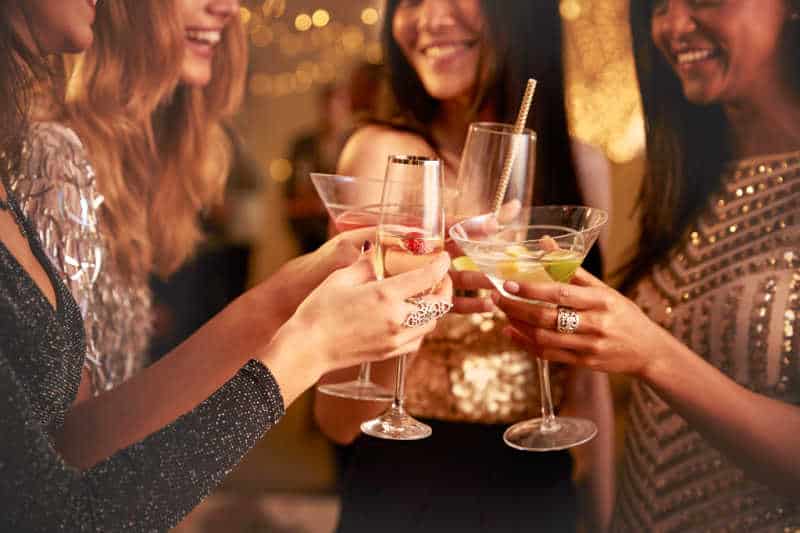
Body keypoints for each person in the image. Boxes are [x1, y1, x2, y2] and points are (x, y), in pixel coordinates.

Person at [0, 1, 452, 530]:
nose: (229, 6)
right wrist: (307, 346)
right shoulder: (50, 158)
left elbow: (73, 438)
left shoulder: (98, 166)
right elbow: (63, 504)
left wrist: (286, 295)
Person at [496, 0, 800, 530]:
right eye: (658, 6)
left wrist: (651, 353)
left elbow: (648, 352)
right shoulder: (685, 182)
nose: (675, 26)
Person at [313, 1, 614, 531]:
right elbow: (336, 420)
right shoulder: (384, 155)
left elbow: (589, 381)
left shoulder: (579, 167)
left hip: (540, 490)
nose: (429, 18)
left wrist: (608, 518)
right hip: (405, 484)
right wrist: (417, 301)